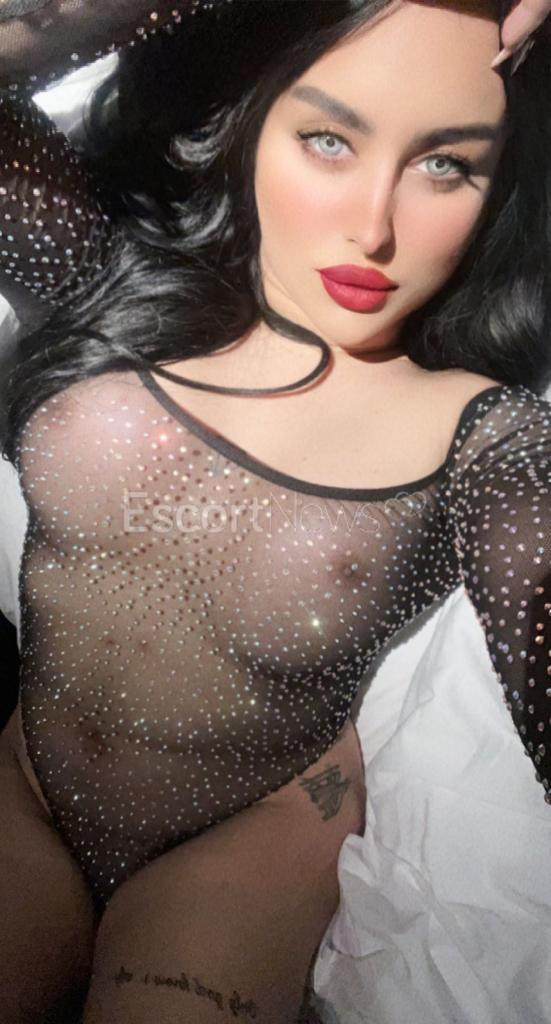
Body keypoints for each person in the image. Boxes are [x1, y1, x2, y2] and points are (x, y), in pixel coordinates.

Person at [0, 0, 550, 1021]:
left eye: (444, 164)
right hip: (27, 792)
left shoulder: (490, 439)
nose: (373, 227)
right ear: (245, 122)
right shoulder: (100, 274)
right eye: (329, 140)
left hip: (253, 833)